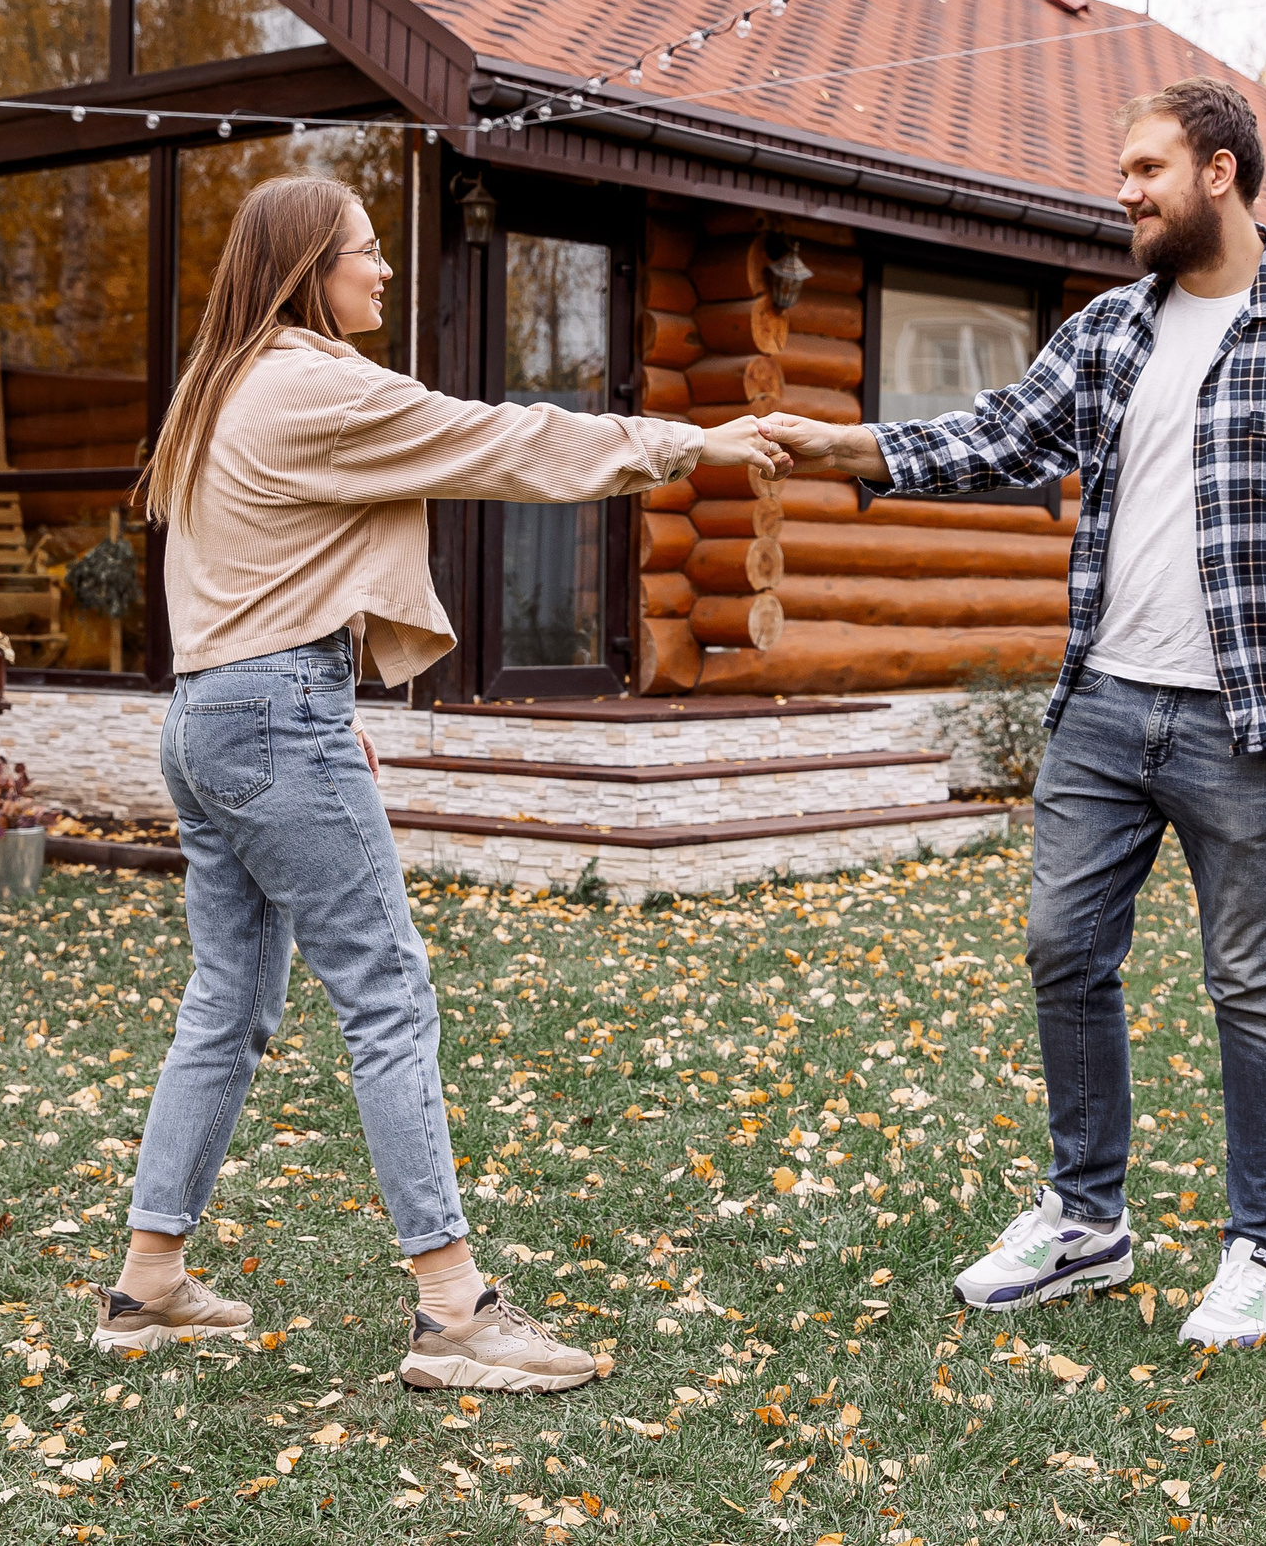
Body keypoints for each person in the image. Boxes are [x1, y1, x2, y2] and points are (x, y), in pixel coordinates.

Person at [760, 77, 1266, 1350]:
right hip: (1103, 704)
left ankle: (1260, 1249)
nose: (1122, 191)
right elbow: (993, 438)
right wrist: (837, 448)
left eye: (1145, 169)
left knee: (1248, 983)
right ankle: (1086, 1222)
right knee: (1060, 950)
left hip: (1248, 721)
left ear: (1222, 172)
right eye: (1121, 170)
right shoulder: (1107, 333)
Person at [102, 173, 790, 1390]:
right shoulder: (311, 382)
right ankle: (455, 1312)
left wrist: (309, 709)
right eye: (364, 253)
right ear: (308, 268)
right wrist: (689, 441)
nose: (381, 272)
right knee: (388, 995)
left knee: (229, 1002)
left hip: (213, 715)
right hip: (267, 719)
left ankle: (149, 1283)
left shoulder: (222, 383)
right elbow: (504, 438)